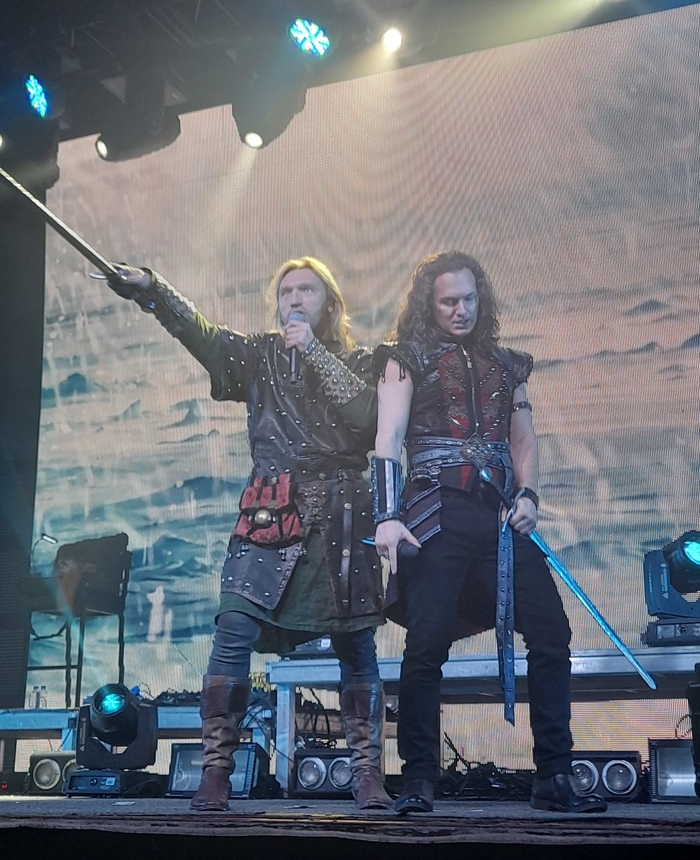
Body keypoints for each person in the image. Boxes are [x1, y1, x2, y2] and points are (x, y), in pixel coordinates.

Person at [105, 257, 392, 811]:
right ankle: (216, 771)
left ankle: (366, 773)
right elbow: (201, 334)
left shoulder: (362, 361)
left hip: (340, 515)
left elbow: (367, 418)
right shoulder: (259, 356)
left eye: (306, 290)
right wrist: (152, 290)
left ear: (329, 303)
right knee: (233, 626)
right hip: (270, 510)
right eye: (286, 292)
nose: (294, 300)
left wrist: (313, 351)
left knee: (356, 643)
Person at [371, 250, 607, 815]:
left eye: (470, 299)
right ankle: (418, 779)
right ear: (429, 304)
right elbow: (388, 438)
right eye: (450, 301)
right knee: (426, 644)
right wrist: (386, 515)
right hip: (437, 515)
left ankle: (554, 776)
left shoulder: (508, 365)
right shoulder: (404, 360)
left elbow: (523, 437)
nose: (462, 310)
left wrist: (528, 496)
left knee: (550, 633)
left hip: (500, 518)